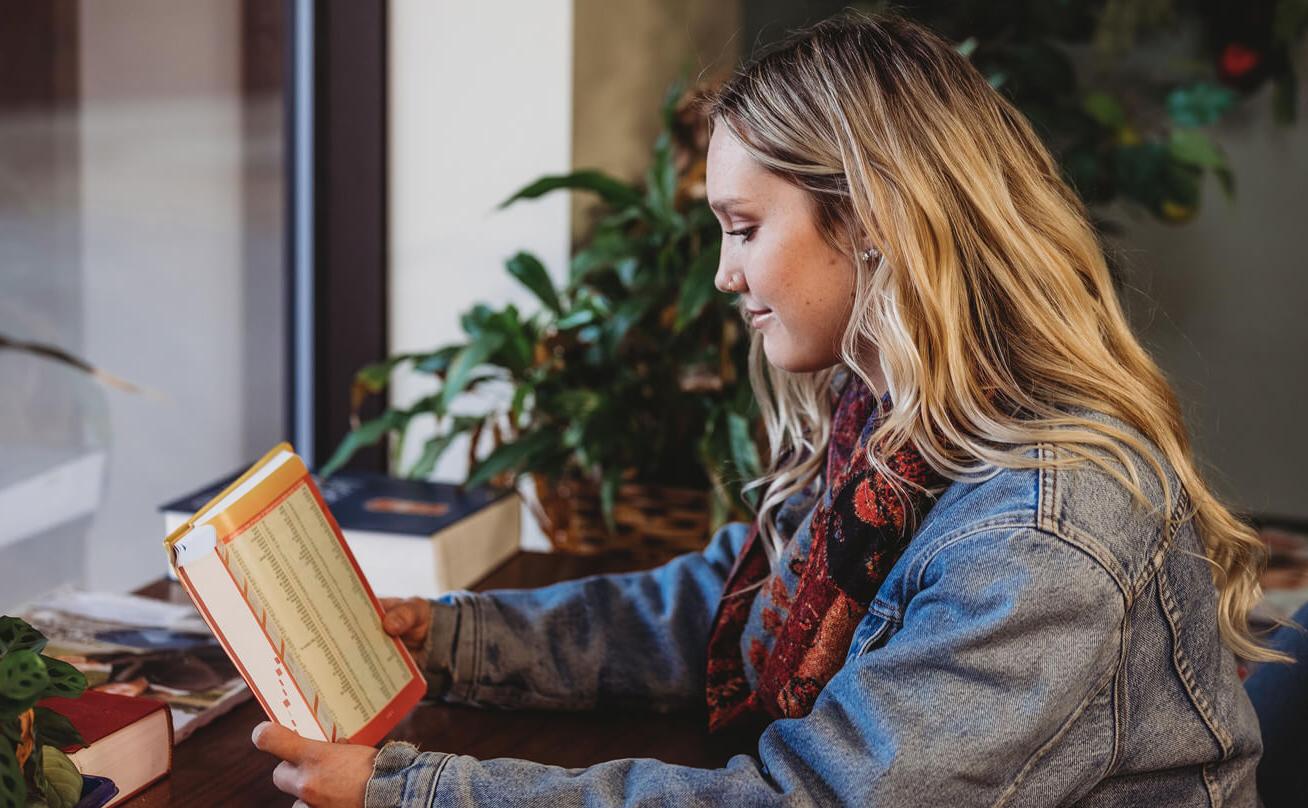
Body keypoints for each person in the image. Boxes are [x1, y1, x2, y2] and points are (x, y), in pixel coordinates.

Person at [251, 12, 1283, 807]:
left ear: (875, 219)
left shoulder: (1042, 531)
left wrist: (415, 787)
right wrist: (448, 636)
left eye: (742, 227)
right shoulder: (902, 425)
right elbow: (732, 611)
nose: (720, 274)